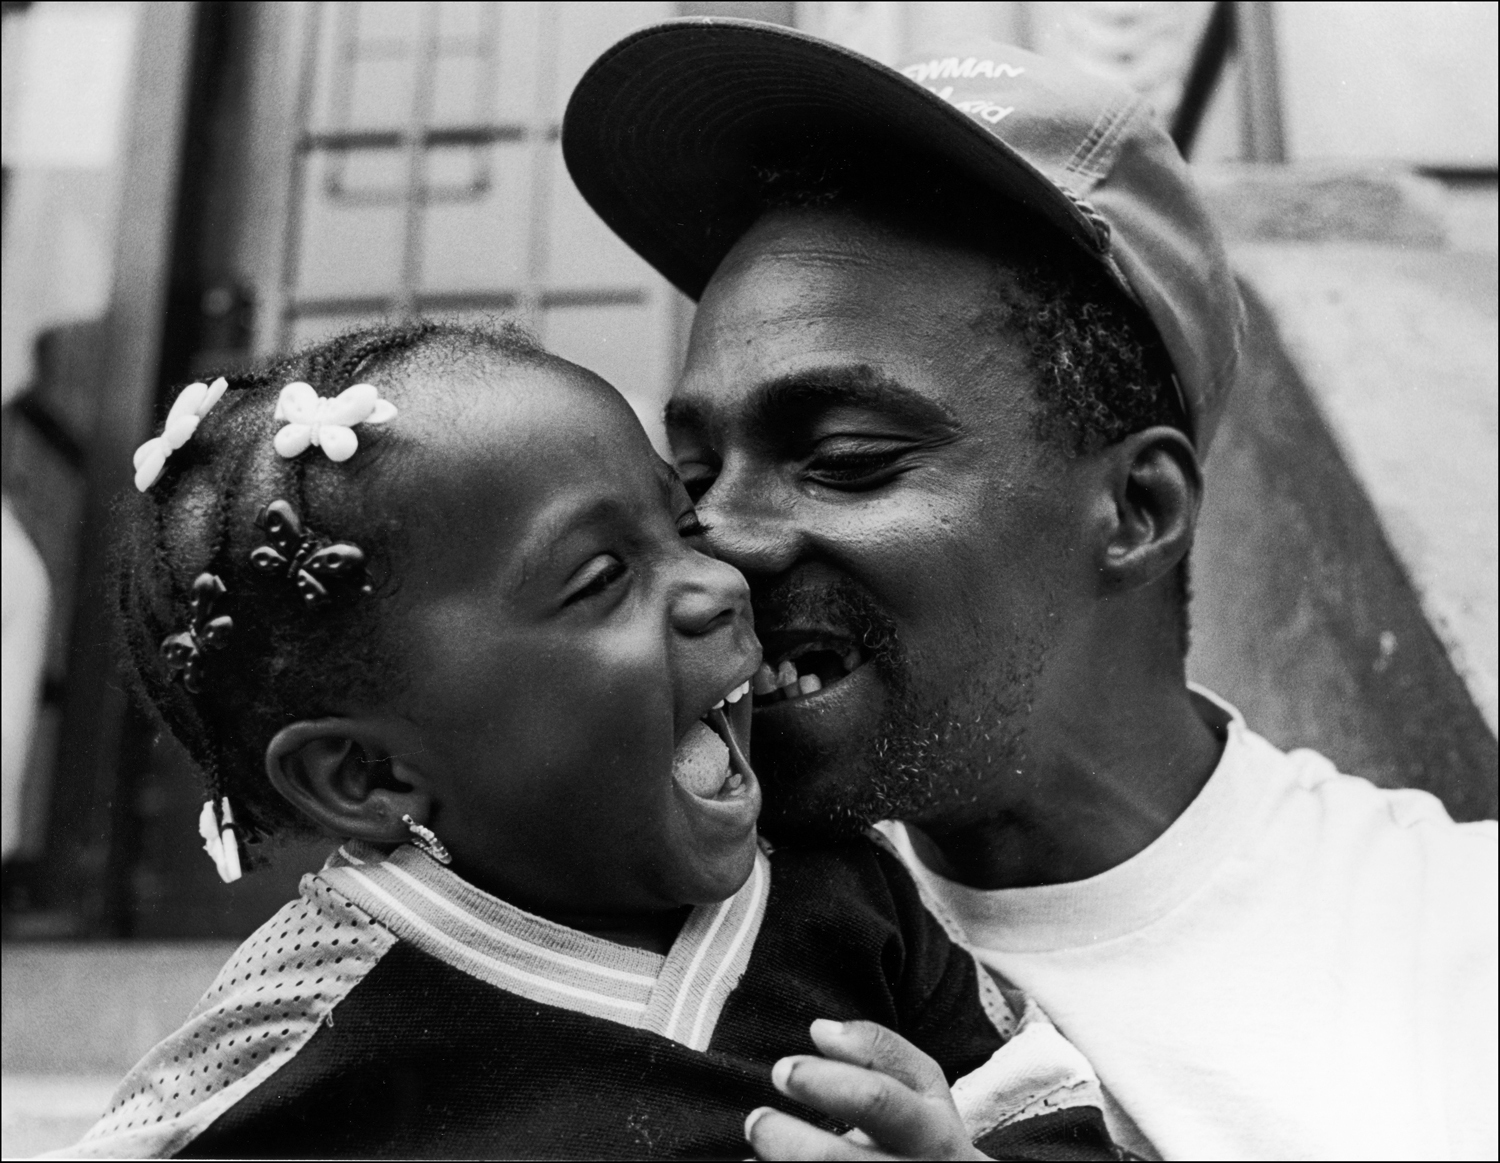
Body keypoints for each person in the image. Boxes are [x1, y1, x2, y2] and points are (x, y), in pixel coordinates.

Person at [563, 20, 1500, 1161]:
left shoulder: (1458, 951)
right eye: (695, 477)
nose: (720, 546)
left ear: (1139, 509)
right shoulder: (613, 926)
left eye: (848, 456)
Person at [66, 320, 1122, 1160]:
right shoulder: (303, 1028)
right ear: (370, 771)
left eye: (684, 525)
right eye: (604, 576)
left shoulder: (850, 890)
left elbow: (1052, 1107)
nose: (719, 583)